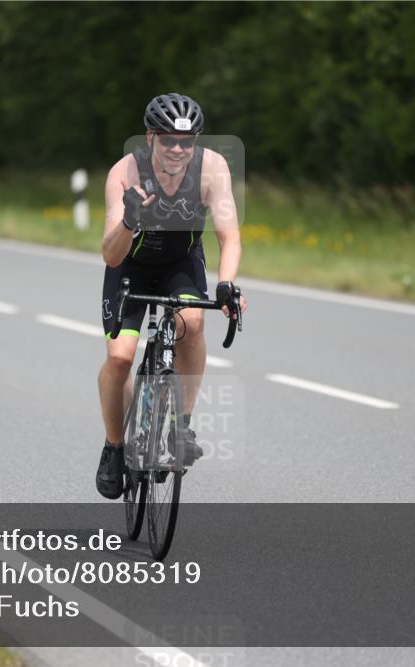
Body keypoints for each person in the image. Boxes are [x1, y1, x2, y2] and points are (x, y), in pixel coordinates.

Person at [96, 93, 248, 499]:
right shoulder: (124, 172)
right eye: (168, 140)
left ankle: (181, 425)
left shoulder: (212, 168)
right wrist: (129, 220)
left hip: (181, 262)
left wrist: (226, 284)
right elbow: (111, 255)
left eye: (187, 141)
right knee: (120, 357)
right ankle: (114, 446)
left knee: (192, 323)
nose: (178, 149)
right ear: (150, 138)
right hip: (130, 265)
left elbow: (229, 237)